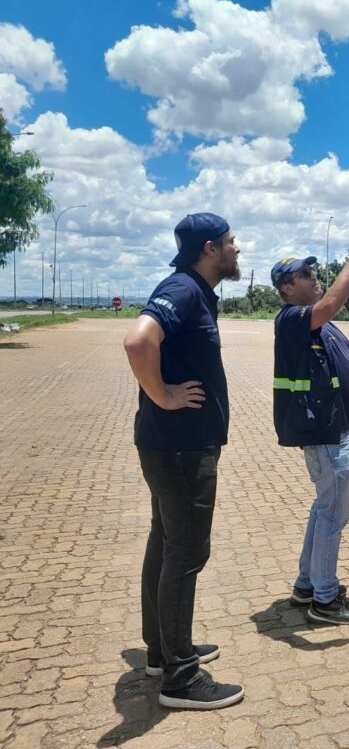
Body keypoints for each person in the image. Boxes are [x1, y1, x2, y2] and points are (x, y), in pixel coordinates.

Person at [123, 212, 244, 710]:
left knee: (167, 542)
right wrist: (163, 395)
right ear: (210, 248)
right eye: (231, 241)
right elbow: (138, 340)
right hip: (181, 448)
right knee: (187, 553)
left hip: (171, 445)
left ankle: (162, 650)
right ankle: (180, 677)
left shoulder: (195, 290)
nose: (238, 249)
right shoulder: (183, 289)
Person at [271, 232, 349, 625]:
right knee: (334, 511)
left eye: (312, 271)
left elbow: (332, 366)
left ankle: (307, 585)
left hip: (334, 426)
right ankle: (325, 599)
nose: (314, 276)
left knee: (325, 508)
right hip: (323, 431)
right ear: (287, 288)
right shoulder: (293, 318)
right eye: (305, 274)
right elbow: (334, 302)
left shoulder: (317, 324)